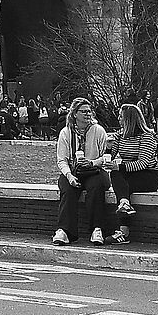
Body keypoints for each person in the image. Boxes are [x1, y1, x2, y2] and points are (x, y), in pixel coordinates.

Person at [52, 99, 116, 246]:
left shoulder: (98, 130)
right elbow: (62, 160)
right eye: (84, 111)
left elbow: (105, 157)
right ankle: (65, 231)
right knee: (67, 189)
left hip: (94, 170)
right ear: (75, 114)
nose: (88, 114)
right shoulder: (66, 133)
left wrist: (92, 162)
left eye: (89, 111)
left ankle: (97, 228)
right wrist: (69, 175)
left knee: (95, 187)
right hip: (74, 171)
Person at [108, 102, 158, 238]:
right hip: (128, 173)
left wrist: (120, 166)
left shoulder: (147, 136)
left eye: (121, 117)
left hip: (148, 175)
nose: (119, 119)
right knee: (117, 176)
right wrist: (109, 147)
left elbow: (142, 163)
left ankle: (123, 231)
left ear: (129, 119)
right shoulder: (120, 135)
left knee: (123, 186)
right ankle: (124, 204)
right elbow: (110, 157)